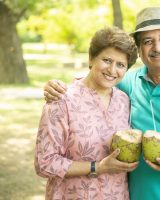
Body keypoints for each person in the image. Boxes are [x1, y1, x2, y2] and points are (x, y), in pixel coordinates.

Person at [43, 6, 160, 200]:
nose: (157, 47)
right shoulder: (129, 83)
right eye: (148, 41)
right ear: (140, 50)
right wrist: (59, 87)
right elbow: (100, 79)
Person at [35, 27, 139, 200]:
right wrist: (98, 167)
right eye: (106, 60)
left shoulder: (123, 100)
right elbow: (44, 163)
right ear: (91, 58)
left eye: (120, 65)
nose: (112, 70)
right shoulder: (61, 99)